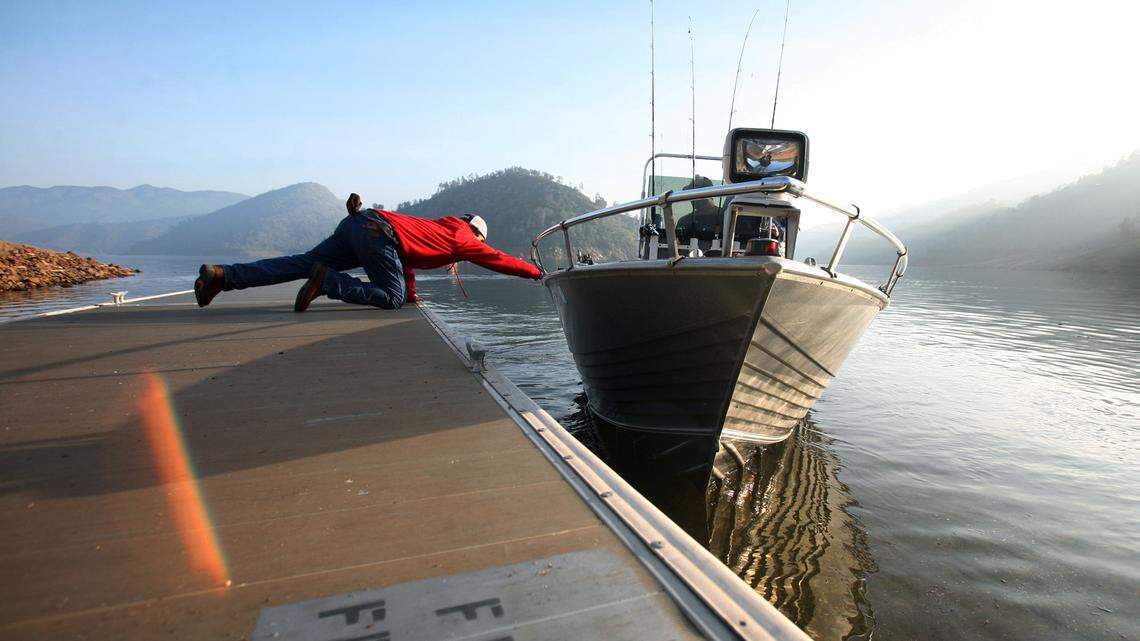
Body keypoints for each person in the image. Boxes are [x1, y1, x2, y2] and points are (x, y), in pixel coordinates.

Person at [193, 193, 542, 312]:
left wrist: (412, 295)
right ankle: (329, 283)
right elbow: (499, 259)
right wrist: (537, 273)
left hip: (360, 223)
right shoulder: (465, 240)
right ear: (478, 235)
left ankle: (223, 277)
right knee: (390, 298)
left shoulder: (440, 226)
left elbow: (405, 260)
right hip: (377, 236)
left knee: (299, 262)